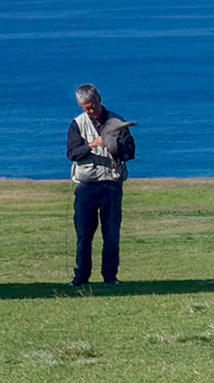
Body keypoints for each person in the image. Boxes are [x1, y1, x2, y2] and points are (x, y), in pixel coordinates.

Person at [66, 83, 135, 287]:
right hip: (87, 186)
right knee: (84, 234)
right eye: (86, 108)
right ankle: (81, 277)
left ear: (99, 100)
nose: (91, 111)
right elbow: (72, 153)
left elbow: (130, 152)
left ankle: (110, 277)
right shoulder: (77, 124)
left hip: (111, 184)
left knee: (111, 234)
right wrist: (90, 146)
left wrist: (113, 146)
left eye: (93, 106)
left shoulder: (117, 121)